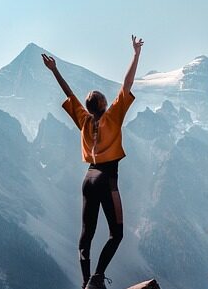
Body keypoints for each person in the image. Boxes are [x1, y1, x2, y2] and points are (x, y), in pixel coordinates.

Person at [41, 35, 144, 289]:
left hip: (88, 178)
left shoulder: (84, 121)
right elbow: (128, 83)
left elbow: (69, 93)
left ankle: (86, 282)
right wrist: (136, 54)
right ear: (104, 104)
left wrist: (55, 70)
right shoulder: (113, 117)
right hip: (107, 177)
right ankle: (97, 278)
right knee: (116, 233)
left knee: (86, 235)